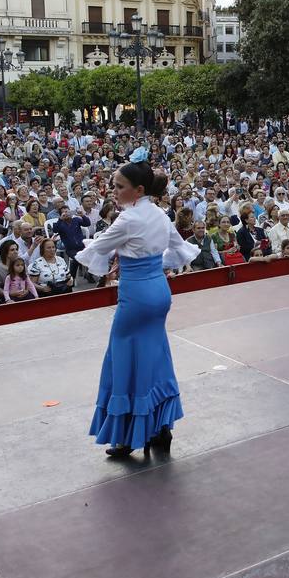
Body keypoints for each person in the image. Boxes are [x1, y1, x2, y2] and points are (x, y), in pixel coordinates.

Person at [76, 158, 199, 459]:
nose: (113, 192)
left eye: (119, 187)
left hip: (136, 297)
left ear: (138, 189)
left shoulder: (128, 219)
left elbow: (96, 249)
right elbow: (177, 250)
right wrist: (140, 260)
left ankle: (128, 437)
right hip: (159, 291)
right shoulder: (159, 213)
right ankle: (159, 428)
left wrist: (112, 256)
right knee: (154, 356)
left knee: (124, 360)